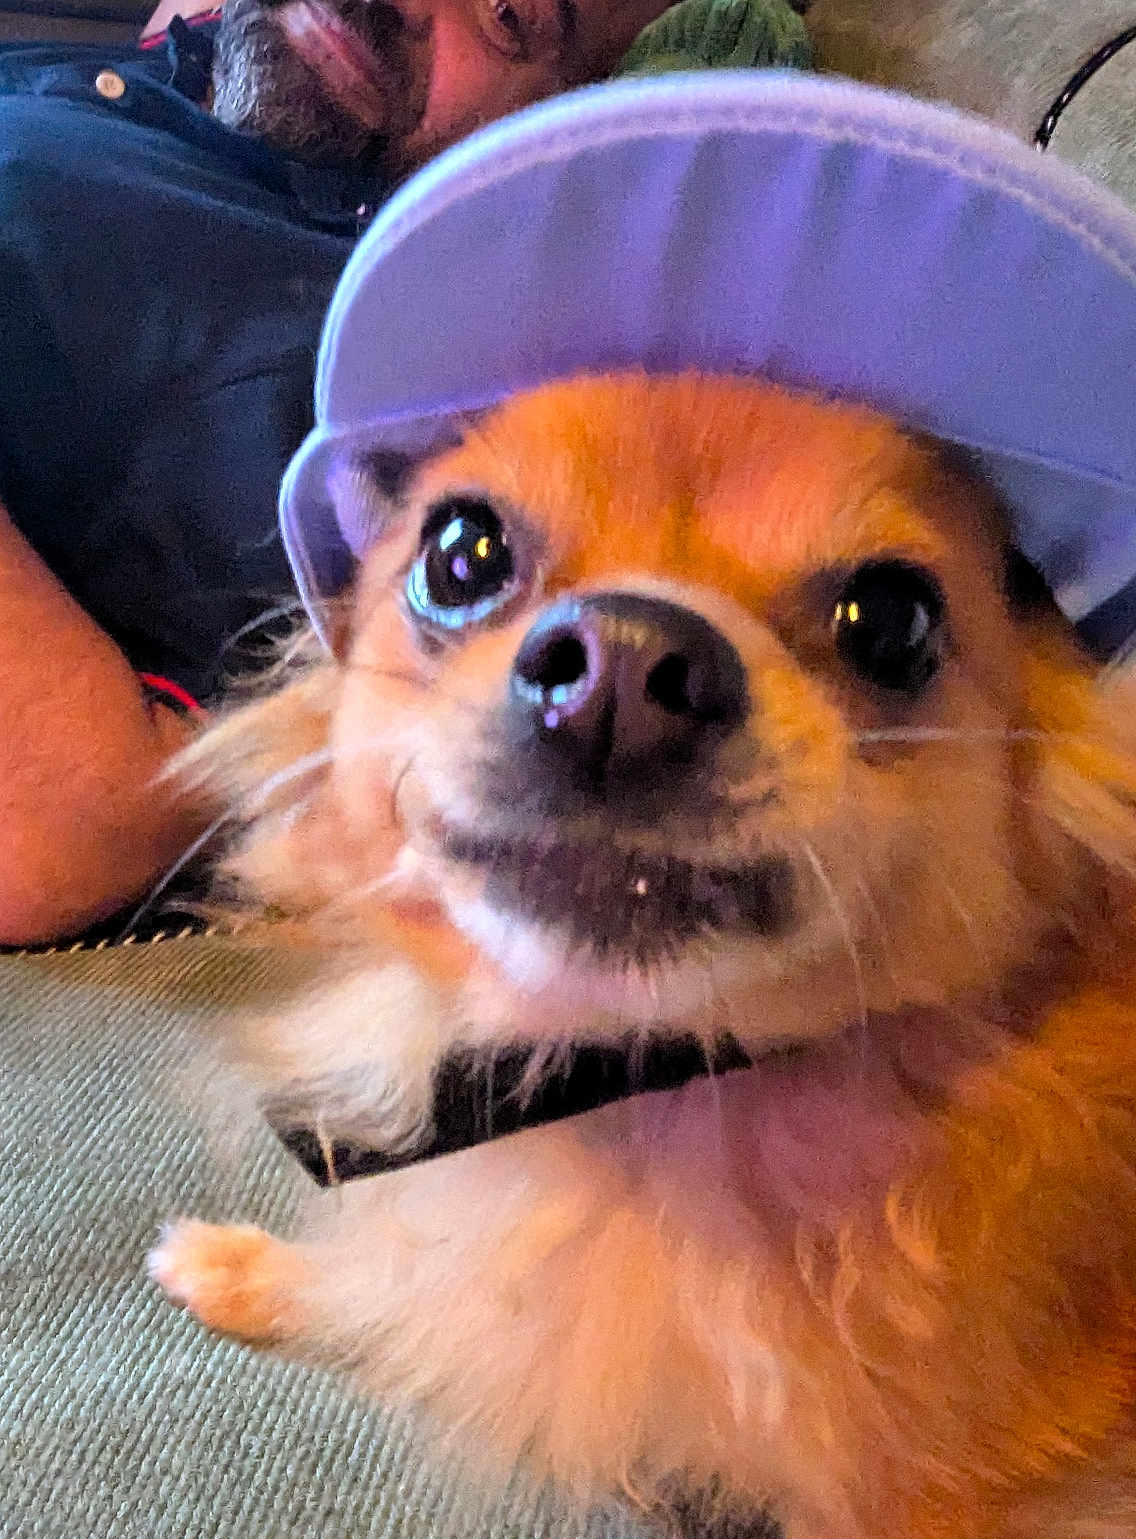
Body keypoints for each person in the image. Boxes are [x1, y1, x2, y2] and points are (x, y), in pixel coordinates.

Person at [0, 0, 673, 945]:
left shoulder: (383, 369)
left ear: (551, 113)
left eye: (510, 18)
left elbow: (58, 828)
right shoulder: (150, 81)